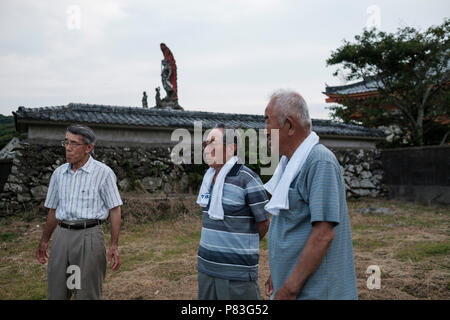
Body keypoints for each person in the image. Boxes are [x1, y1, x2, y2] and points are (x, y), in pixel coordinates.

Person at [263, 89, 358, 300]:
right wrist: (279, 274)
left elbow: (323, 234)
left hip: (315, 292)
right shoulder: (289, 164)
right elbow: (292, 226)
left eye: (268, 122)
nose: (265, 130)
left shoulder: (318, 161)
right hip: (294, 284)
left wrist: (289, 289)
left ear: (289, 125)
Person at [36, 124, 123, 300]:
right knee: (57, 292)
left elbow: (115, 209)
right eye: (66, 142)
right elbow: (53, 209)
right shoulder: (59, 174)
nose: (68, 148)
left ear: (89, 148)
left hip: (89, 237)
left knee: (86, 293)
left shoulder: (103, 173)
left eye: (74, 143)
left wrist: (114, 244)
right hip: (61, 236)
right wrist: (45, 240)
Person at [196, 124, 270, 300]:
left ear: (231, 147)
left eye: (213, 142)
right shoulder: (208, 179)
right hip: (206, 268)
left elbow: (264, 222)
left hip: (237, 274)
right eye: (206, 143)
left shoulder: (248, 179)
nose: (207, 148)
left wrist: (240, 244)